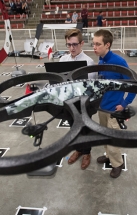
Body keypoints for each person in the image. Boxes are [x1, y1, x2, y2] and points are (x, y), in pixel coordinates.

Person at [93, 29, 136, 178]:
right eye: (93, 44)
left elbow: (133, 86)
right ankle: (109, 156)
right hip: (102, 107)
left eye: (98, 44)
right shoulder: (101, 60)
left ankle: (117, 163)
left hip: (113, 110)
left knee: (112, 140)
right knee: (104, 136)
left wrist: (124, 104)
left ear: (107, 45)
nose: (94, 47)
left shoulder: (119, 62)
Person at [60, 29, 97, 170]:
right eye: (68, 45)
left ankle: (87, 153)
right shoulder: (62, 60)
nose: (71, 48)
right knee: (73, 128)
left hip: (84, 103)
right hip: (69, 103)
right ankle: (78, 149)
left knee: (86, 129)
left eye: (74, 44)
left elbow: (93, 86)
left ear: (82, 44)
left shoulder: (89, 62)